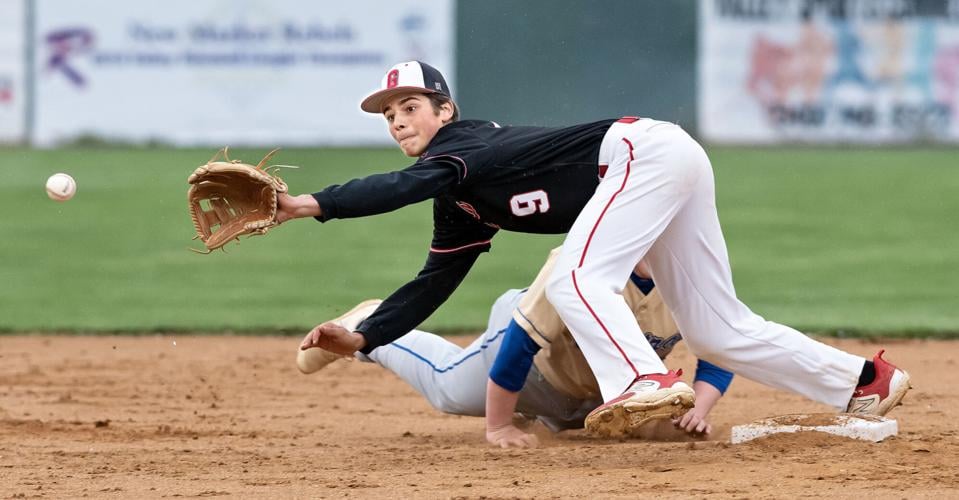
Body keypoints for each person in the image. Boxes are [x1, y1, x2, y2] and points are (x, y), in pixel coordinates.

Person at [277, 60, 910, 438]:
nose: (397, 121)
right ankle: (862, 382)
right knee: (718, 331)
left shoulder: (463, 146)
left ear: (446, 110)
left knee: (575, 279)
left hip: (643, 154)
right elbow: (435, 281)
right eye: (388, 115)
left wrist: (309, 203)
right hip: (665, 162)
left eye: (409, 106)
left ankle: (640, 379)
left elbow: (398, 187)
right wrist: (367, 338)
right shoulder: (458, 188)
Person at [297, 250, 733, 448]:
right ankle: (368, 327)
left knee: (653, 431)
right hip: (530, 363)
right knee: (448, 388)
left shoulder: (695, 277)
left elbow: (723, 349)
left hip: (596, 394)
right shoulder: (579, 264)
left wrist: (700, 409)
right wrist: (498, 427)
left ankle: (555, 417)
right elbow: (519, 346)